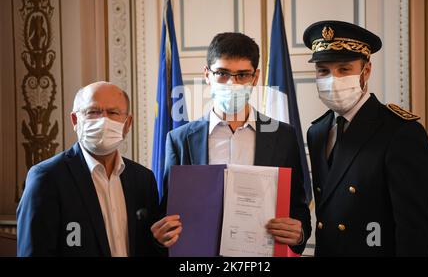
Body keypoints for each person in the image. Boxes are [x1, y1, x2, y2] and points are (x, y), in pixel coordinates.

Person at [151, 32, 312, 255]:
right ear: (207, 75)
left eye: (242, 75)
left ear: (255, 78)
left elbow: (298, 207)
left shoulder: (283, 137)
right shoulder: (179, 139)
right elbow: (167, 210)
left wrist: (299, 233)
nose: (232, 83)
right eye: (222, 73)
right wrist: (161, 235)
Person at [303, 20, 428, 256]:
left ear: (367, 71)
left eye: (344, 69)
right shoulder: (317, 132)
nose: (332, 79)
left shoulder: (400, 131)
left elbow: (414, 230)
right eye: (323, 70)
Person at [17, 82, 165, 257]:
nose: (103, 120)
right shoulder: (46, 178)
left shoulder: (143, 180)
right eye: (93, 112)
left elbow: (148, 248)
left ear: (127, 123)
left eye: (113, 112)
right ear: (75, 120)